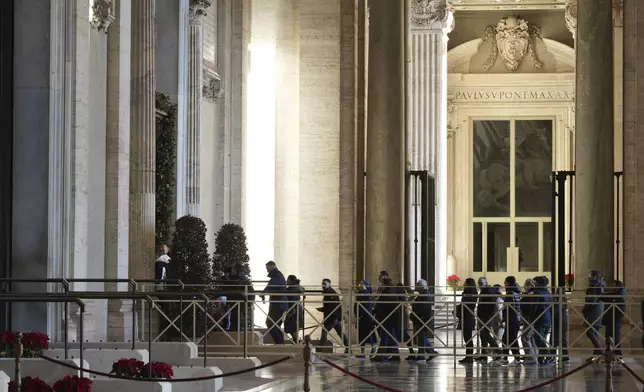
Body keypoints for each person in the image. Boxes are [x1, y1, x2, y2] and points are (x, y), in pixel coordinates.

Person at [408, 279, 438, 362]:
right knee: (422, 337)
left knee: (421, 337)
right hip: (423, 319)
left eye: (417, 285)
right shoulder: (425, 294)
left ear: (420, 287)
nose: (416, 287)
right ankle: (426, 353)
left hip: (422, 319)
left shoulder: (423, 296)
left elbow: (420, 309)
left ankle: (425, 354)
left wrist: (413, 316)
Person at [373, 277, 402, 361]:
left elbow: (381, 304)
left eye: (382, 283)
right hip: (392, 318)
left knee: (384, 336)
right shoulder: (392, 291)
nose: (380, 284)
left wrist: (377, 303)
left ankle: (380, 355)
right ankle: (396, 354)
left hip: (387, 318)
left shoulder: (386, 292)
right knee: (391, 336)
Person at [317, 279, 349, 351]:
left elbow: (335, 307)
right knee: (340, 333)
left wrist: (335, 318)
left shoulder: (331, 293)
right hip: (332, 317)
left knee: (324, 332)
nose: (323, 286)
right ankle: (348, 348)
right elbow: (330, 306)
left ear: (329, 284)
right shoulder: (327, 293)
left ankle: (320, 349)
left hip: (332, 318)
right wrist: (322, 309)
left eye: (325, 284)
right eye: (322, 284)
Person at [261, 261, 288, 344]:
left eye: (267, 268)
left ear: (272, 266)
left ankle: (279, 343)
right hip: (279, 304)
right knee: (275, 325)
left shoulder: (277, 276)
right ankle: (280, 343)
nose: (267, 270)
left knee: (271, 323)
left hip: (278, 305)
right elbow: (271, 285)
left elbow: (272, 285)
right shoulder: (278, 275)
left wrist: (264, 292)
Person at [476, 277, 500, 362]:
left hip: (486, 316)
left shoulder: (488, 290)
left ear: (486, 283)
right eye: (479, 283)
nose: (480, 284)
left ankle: (497, 349)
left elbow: (490, 303)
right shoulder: (484, 291)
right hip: (482, 315)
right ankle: (484, 354)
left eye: (482, 283)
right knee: (482, 336)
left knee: (485, 333)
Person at [531, 276, 553, 364]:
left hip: (539, 318)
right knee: (542, 338)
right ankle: (541, 358)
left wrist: (531, 317)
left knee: (538, 338)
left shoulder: (536, 293)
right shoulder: (548, 293)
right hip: (547, 318)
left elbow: (534, 307)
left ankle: (548, 355)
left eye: (535, 282)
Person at [500, 276, 522, 365]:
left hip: (512, 320)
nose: (504, 284)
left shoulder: (510, 293)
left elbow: (509, 308)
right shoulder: (516, 292)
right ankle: (505, 358)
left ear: (508, 283)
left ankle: (517, 359)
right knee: (505, 339)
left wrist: (505, 318)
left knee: (512, 339)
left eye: (505, 282)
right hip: (515, 319)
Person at [583, 270, 605, 354]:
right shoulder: (595, 285)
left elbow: (593, 299)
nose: (589, 277)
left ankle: (601, 351)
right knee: (594, 332)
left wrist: (588, 301)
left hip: (595, 310)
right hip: (594, 309)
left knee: (590, 332)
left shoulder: (597, 286)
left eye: (591, 276)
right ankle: (597, 353)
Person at [227, 263, 253, 331]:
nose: (231, 270)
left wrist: (228, 278)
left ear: (236, 269)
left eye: (233, 268)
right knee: (236, 316)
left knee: (235, 316)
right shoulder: (241, 276)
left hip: (239, 299)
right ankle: (236, 330)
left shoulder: (239, 277)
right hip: (240, 299)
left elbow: (236, 287)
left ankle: (235, 330)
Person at [603, 279, 626, 355]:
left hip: (615, 315)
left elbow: (614, 297)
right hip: (612, 315)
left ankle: (617, 354)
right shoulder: (620, 292)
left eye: (614, 286)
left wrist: (603, 295)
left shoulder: (620, 293)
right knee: (609, 334)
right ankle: (610, 353)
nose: (613, 287)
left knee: (615, 335)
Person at [354, 280, 376, 357]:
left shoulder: (366, 294)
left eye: (361, 283)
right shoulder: (360, 293)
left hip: (365, 318)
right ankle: (363, 352)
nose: (359, 284)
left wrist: (360, 315)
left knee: (368, 335)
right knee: (362, 336)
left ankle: (372, 349)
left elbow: (365, 307)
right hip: (362, 317)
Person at [458, 278, 477, 363]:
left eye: (465, 283)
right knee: (468, 337)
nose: (463, 284)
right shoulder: (473, 292)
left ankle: (469, 356)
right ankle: (469, 356)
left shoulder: (467, 293)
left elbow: (464, 305)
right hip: (469, 316)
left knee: (467, 337)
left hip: (467, 317)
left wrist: (457, 310)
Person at [520, 278, 538, 365]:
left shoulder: (530, 295)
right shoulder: (532, 294)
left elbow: (527, 307)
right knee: (531, 337)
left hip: (529, 319)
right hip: (530, 318)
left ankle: (531, 357)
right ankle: (534, 355)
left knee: (524, 337)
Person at [284, 275, 305, 343]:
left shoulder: (291, 289)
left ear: (291, 280)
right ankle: (295, 342)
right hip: (296, 309)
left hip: (293, 310)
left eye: (288, 280)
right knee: (293, 328)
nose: (286, 281)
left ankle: (296, 343)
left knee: (293, 327)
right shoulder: (297, 288)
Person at [551, 287, 569, 361]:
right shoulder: (564, 300)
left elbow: (556, 311)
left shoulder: (559, 300)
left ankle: (553, 356)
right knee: (562, 339)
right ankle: (564, 355)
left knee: (554, 339)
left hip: (558, 321)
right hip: (563, 321)